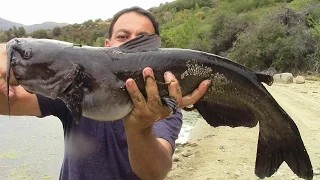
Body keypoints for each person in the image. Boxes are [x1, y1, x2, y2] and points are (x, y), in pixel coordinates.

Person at [0, 6, 210, 180]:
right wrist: (5, 63)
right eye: (123, 36)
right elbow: (8, 102)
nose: (130, 43)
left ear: (155, 51)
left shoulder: (165, 104)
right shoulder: (70, 88)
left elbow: (154, 173)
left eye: (141, 39)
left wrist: (140, 129)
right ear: (106, 45)